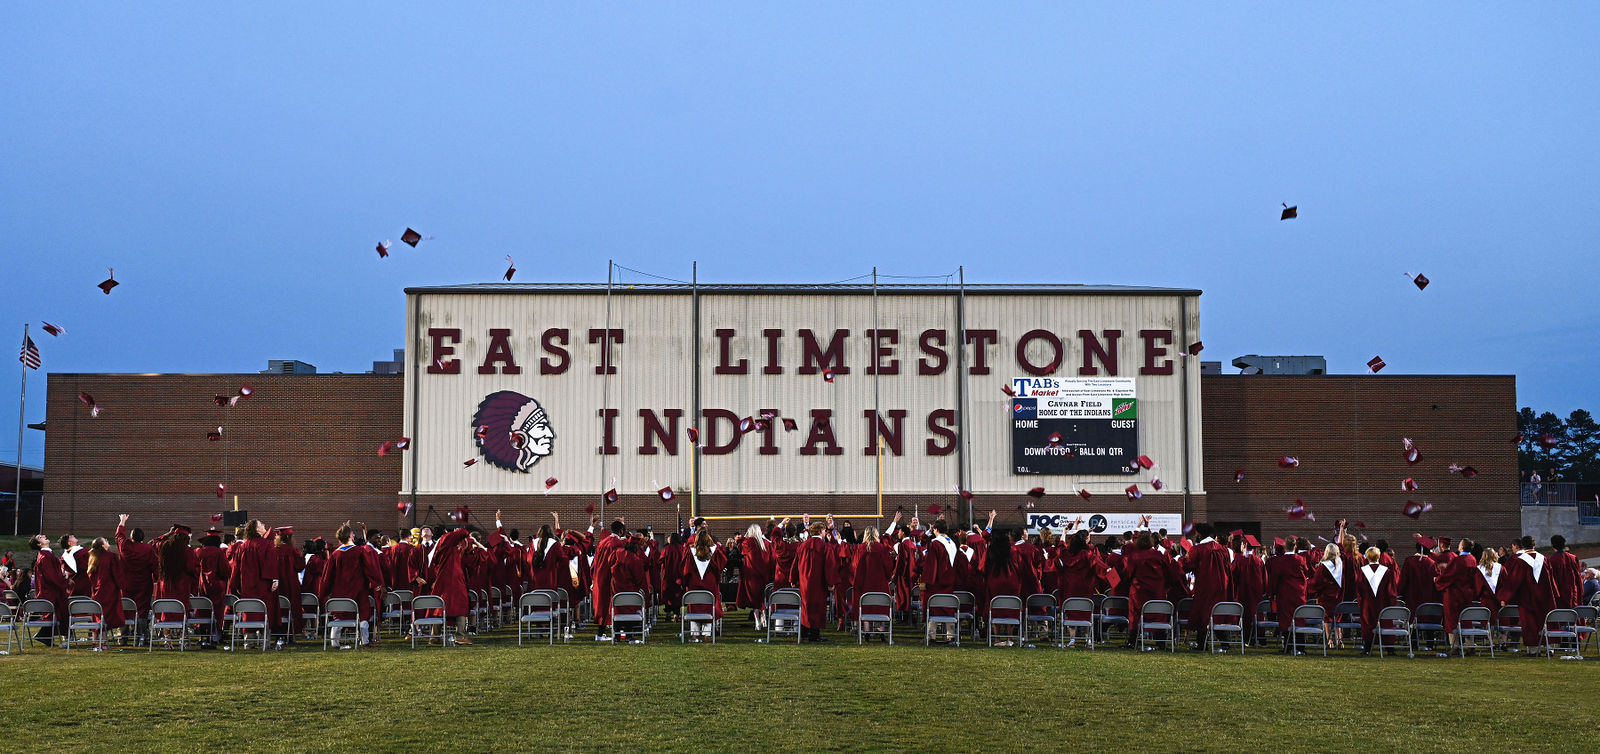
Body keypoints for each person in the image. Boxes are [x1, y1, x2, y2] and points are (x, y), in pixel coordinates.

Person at [319, 522, 386, 648]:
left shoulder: (335, 554)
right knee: (364, 614)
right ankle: (365, 641)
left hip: (339, 591)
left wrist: (324, 591)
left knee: (340, 615)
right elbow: (370, 569)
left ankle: (334, 642)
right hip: (358, 590)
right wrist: (378, 583)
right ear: (350, 536)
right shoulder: (359, 551)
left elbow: (328, 576)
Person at [1496, 535, 1559, 654]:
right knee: (1545, 621)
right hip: (1545, 597)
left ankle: (1533, 650)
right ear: (1534, 545)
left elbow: (1514, 581)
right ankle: (1549, 648)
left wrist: (1504, 597)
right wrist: (1554, 594)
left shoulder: (1519, 560)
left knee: (1530, 624)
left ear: (1523, 546)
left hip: (1528, 598)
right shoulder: (1544, 559)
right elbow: (1552, 579)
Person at [1120, 530, 1180, 650]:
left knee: (1135, 615)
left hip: (1139, 591)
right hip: (1157, 590)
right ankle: (1161, 642)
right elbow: (1169, 572)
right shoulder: (1159, 555)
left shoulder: (1134, 556)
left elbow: (1128, 573)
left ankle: (1132, 641)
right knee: (1158, 614)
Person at [229, 520, 280, 648]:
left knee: (249, 612)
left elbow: (236, 568)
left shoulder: (242, 547)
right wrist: (275, 579)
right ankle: (264, 642)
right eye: (261, 524)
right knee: (265, 612)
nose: (264, 525)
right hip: (263, 585)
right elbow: (271, 564)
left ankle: (248, 642)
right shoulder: (267, 544)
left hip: (247, 586)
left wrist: (235, 585)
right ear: (256, 529)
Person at [1184, 523, 1231, 650]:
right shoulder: (1223, 549)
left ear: (1200, 534)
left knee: (1203, 614)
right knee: (1218, 613)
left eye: (1196, 533)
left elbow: (1189, 566)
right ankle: (1225, 642)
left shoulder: (1198, 549)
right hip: (1221, 586)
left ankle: (1202, 644)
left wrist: (1183, 560)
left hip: (1205, 586)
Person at [424, 525, 474, 644]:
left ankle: (435, 636)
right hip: (452, 578)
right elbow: (463, 532)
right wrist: (458, 529)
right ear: (445, 532)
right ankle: (460, 635)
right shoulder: (445, 539)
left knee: (440, 606)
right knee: (461, 604)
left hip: (444, 577)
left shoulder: (442, 545)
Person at [1055, 530, 1104, 646]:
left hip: (1069, 587)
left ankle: (1072, 639)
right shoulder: (1088, 554)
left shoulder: (1066, 553)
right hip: (1085, 587)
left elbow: (1060, 548)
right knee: (1085, 611)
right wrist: (1113, 576)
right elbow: (1100, 566)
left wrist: (1064, 533)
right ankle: (1088, 638)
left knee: (1071, 611)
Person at [918, 518, 963, 641]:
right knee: (948, 606)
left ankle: (931, 636)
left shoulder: (935, 544)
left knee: (933, 606)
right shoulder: (952, 543)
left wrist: (926, 581)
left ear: (936, 530)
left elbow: (931, 564)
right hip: (950, 581)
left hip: (937, 582)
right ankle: (951, 635)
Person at [791, 519, 836, 643]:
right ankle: (814, 635)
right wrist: (830, 582)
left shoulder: (803, 545)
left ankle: (804, 632)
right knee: (817, 607)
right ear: (820, 531)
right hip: (818, 582)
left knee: (806, 606)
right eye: (824, 530)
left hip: (804, 582)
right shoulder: (825, 546)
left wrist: (793, 579)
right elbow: (829, 565)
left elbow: (796, 563)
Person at [679, 529, 727, 640]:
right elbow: (722, 563)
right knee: (709, 607)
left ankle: (694, 633)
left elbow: (685, 569)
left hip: (694, 583)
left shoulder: (690, 550)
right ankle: (707, 633)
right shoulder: (714, 550)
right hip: (710, 583)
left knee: (694, 606)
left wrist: (684, 582)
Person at [1434, 538, 1479, 653]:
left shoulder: (1458, 560)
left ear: (1462, 547)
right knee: (1466, 620)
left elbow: (1449, 576)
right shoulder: (1473, 559)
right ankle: (1470, 645)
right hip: (1467, 593)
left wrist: (1437, 579)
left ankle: (1455, 646)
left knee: (1451, 620)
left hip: (1454, 594)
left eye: (1459, 544)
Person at [850, 525, 896, 640]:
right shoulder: (882, 548)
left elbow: (854, 566)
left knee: (865, 606)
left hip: (863, 583)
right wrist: (888, 577)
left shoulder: (860, 548)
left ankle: (866, 632)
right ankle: (881, 630)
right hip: (880, 583)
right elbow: (888, 566)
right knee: (881, 606)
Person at [1264, 539, 1308, 652]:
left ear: (1284, 547)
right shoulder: (1301, 559)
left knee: (1286, 620)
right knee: (1299, 618)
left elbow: (1275, 578)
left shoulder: (1280, 561)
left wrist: (1271, 593)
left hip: (1285, 594)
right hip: (1299, 593)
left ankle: (1288, 647)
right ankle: (1300, 647)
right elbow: (1306, 573)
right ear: (1295, 547)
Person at [590, 519, 629, 640]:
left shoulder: (603, 542)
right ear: (621, 531)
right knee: (613, 604)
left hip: (599, 576)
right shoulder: (617, 543)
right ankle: (617, 633)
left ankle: (600, 633)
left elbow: (595, 561)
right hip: (610, 576)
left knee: (602, 605)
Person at [983, 531, 1024, 645]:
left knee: (996, 608)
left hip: (995, 581)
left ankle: (997, 638)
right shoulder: (1014, 551)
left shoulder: (991, 551)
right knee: (1011, 607)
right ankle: (1009, 638)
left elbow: (985, 566)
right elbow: (1020, 566)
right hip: (1011, 581)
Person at [1353, 546, 1396, 655]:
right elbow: (1391, 591)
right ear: (1378, 556)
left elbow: (1359, 589)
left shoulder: (1362, 571)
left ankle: (1367, 648)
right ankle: (1390, 649)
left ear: (1367, 557)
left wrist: (1361, 601)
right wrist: (1391, 603)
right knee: (1385, 623)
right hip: (1383, 603)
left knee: (1368, 625)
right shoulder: (1387, 571)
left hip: (1367, 604)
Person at [83, 537, 125, 648]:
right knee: (106, 617)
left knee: (97, 616)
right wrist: (122, 585)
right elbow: (117, 574)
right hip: (109, 591)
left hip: (96, 592)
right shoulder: (111, 556)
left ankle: (95, 641)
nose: (107, 541)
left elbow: (91, 576)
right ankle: (103, 643)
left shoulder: (92, 557)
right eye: (105, 541)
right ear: (102, 545)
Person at [115, 514, 157, 618]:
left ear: (131, 537)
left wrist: (122, 521)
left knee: (127, 606)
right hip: (144, 583)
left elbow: (119, 536)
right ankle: (141, 626)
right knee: (142, 608)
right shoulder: (148, 549)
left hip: (127, 582)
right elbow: (155, 565)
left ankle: (126, 624)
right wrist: (156, 578)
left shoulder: (125, 546)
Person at [195, 528, 231, 644]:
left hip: (202, 584)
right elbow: (225, 570)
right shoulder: (219, 552)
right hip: (217, 585)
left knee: (202, 609)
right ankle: (215, 636)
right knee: (217, 611)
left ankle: (202, 636)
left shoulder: (198, 552)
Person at [737, 523, 774, 627]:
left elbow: (740, 547)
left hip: (752, 576)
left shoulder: (748, 542)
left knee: (755, 600)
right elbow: (772, 559)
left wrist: (743, 537)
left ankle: (757, 621)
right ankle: (764, 619)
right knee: (763, 598)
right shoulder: (767, 544)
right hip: (764, 575)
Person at [1547, 535, 1583, 609]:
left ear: (1552, 545)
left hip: (1560, 596)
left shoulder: (1552, 560)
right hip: (1573, 593)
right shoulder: (1573, 558)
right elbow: (1578, 577)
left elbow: (1552, 581)